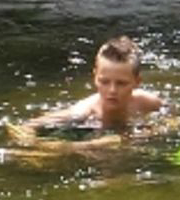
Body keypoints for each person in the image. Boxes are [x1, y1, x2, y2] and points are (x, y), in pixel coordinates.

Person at [20, 36, 164, 137]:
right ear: (95, 77)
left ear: (137, 82)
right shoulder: (83, 112)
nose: (112, 91)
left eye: (121, 83)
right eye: (104, 82)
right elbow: (26, 127)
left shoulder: (147, 102)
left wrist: (153, 131)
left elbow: (174, 120)